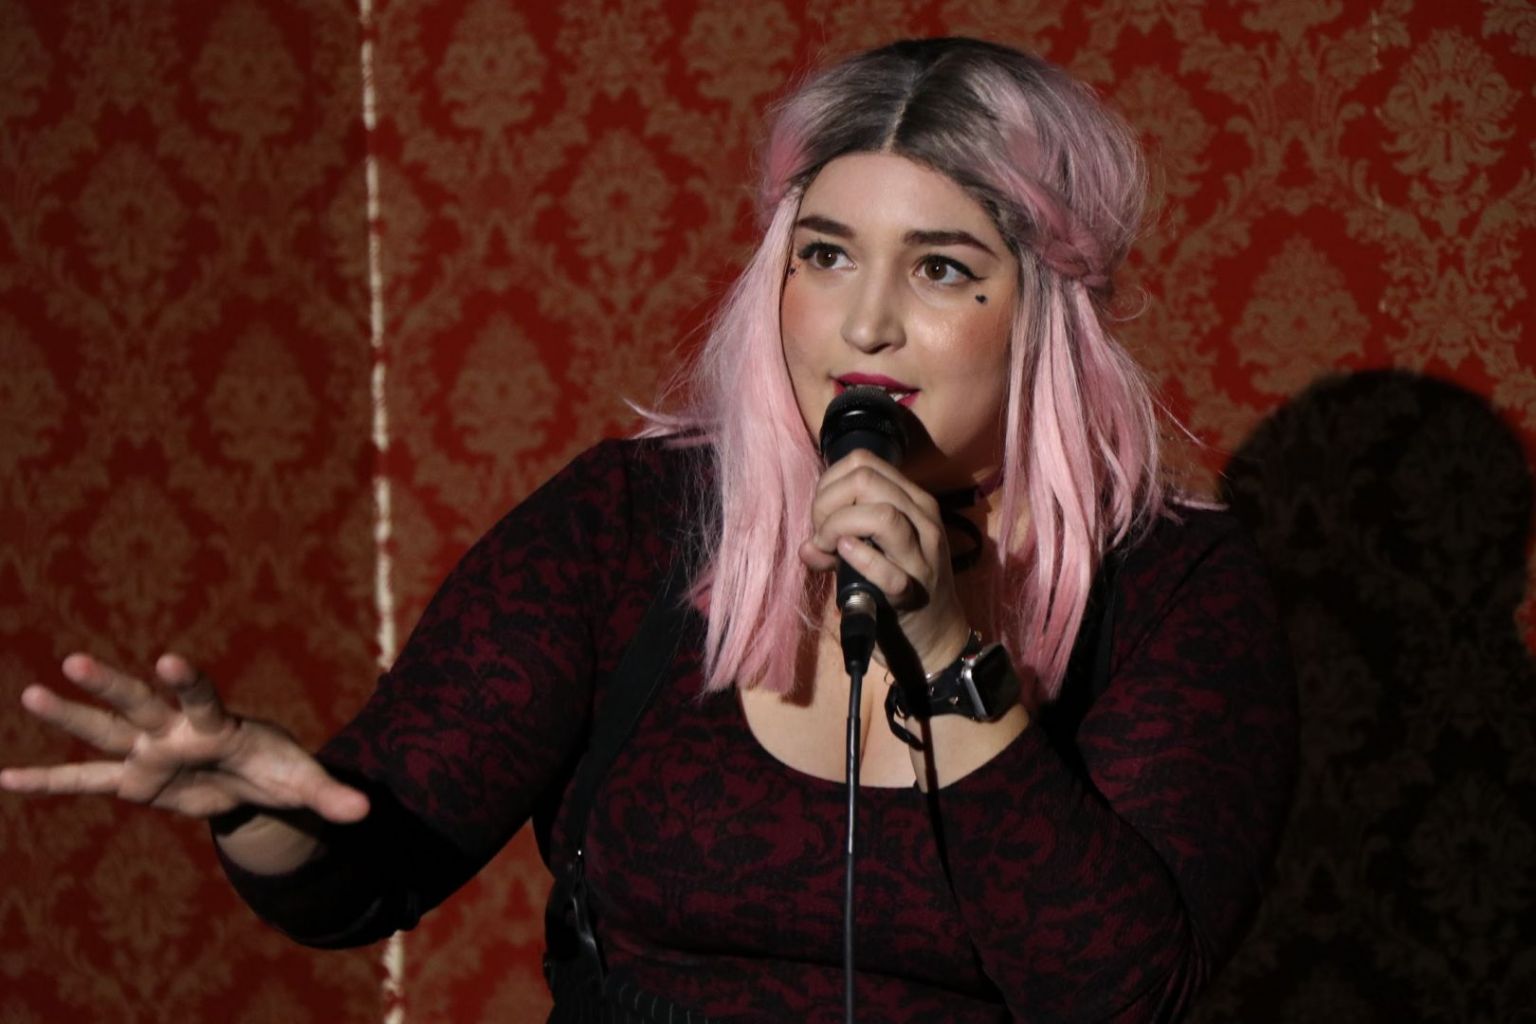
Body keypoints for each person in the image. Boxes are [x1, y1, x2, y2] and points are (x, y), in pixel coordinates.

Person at [1, 37, 1296, 1022]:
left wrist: (951, 654)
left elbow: (1125, 996)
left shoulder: (1173, 587)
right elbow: (367, 869)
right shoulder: (632, 522)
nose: (865, 323)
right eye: (826, 254)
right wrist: (255, 810)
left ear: (1047, 311)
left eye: (942, 268)